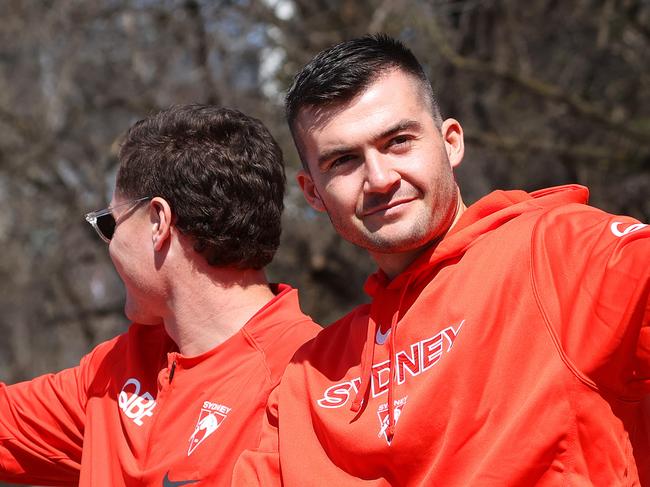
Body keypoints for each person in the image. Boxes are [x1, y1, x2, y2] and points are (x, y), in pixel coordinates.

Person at [234, 34, 650, 485]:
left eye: (398, 141)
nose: (378, 178)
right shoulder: (308, 379)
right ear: (313, 192)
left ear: (451, 142)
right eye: (343, 161)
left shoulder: (559, 252)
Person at [0, 105, 320, 486]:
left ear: (158, 222)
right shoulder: (113, 371)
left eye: (110, 223)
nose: (109, 244)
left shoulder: (312, 379)